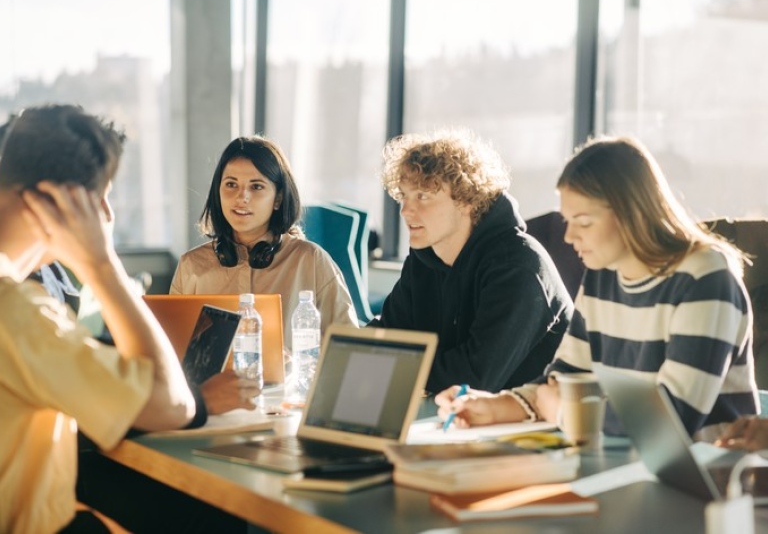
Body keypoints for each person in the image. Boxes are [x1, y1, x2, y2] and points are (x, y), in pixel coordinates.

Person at [435, 135, 759, 442]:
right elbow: (566, 378)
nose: (569, 237)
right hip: (622, 463)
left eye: (584, 222)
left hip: (705, 479)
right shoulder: (603, 275)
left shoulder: (704, 278)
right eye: (567, 221)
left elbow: (672, 420)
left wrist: (564, 412)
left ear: (631, 213)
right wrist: (494, 407)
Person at [0, 104, 198, 532]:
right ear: (63, 200)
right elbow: (172, 405)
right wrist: (101, 263)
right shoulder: (16, 311)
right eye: (102, 198)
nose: (107, 215)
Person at [367, 128, 573, 394]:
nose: (406, 210)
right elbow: (385, 336)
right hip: (457, 419)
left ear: (466, 200)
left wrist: (385, 365)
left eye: (423, 196)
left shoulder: (518, 266)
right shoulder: (424, 258)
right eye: (403, 196)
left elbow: (475, 377)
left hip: (530, 427)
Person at [170, 135, 358, 341]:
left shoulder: (311, 261)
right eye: (231, 184)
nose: (242, 197)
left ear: (278, 198)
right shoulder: (192, 266)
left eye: (256, 186)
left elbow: (347, 347)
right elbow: (171, 350)